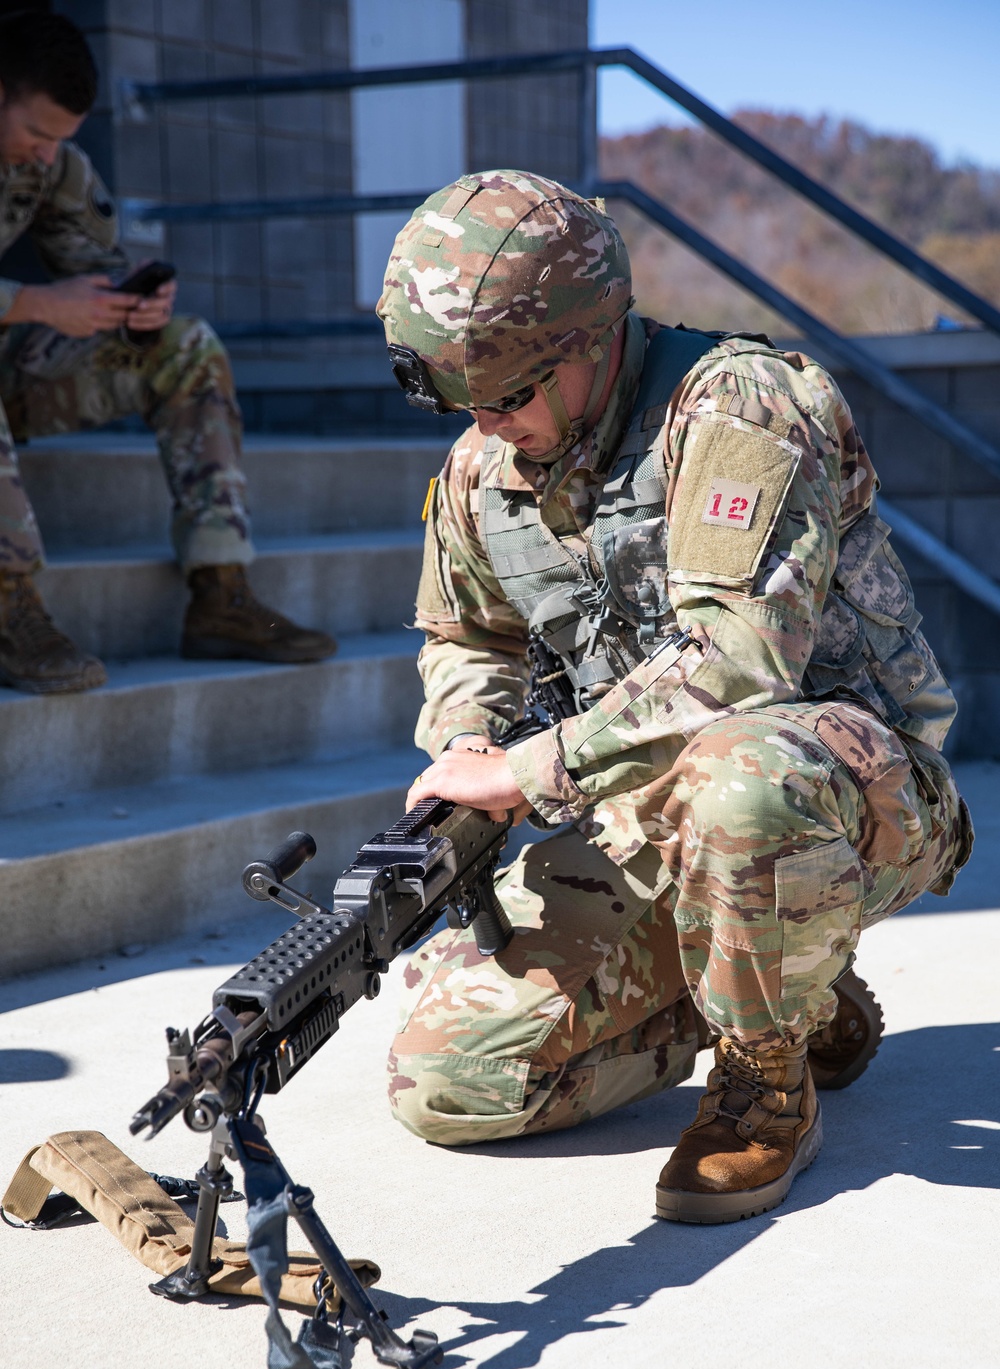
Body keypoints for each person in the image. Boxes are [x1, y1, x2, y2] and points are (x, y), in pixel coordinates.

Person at [375, 169, 973, 1224]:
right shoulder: (484, 466)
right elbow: (468, 633)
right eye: (460, 395)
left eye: (509, 392)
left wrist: (529, 769)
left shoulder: (737, 406)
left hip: (845, 794)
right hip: (644, 815)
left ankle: (763, 1077)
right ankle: (777, 979)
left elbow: (743, 654)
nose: (486, 421)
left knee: (742, 778)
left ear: (592, 340)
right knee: (450, 1082)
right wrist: (467, 739)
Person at [0, 12, 335, 694]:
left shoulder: (52, 164)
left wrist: (132, 305)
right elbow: (43, 302)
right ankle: (9, 608)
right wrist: (34, 304)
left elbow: (92, 264)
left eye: (58, 140)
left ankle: (220, 590)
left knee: (187, 345)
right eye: (36, 133)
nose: (44, 155)